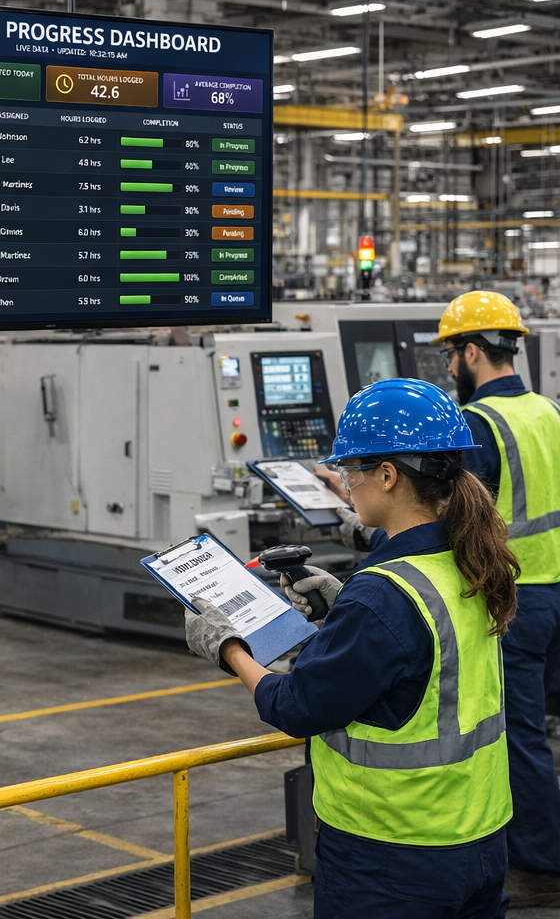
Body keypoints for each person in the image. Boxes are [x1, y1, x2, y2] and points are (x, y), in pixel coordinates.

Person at [186, 378, 517, 919]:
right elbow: (426, 663)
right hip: (478, 837)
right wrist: (345, 606)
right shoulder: (470, 561)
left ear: (387, 476)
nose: (347, 482)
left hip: (390, 856)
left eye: (351, 470)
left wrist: (227, 647)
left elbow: (296, 706)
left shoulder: (383, 597)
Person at [434, 291, 560, 907]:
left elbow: (461, 516)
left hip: (521, 600)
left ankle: (540, 858)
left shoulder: (480, 424)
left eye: (451, 355)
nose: (449, 368)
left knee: (520, 733)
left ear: (474, 352)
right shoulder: (548, 410)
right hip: (558, 586)